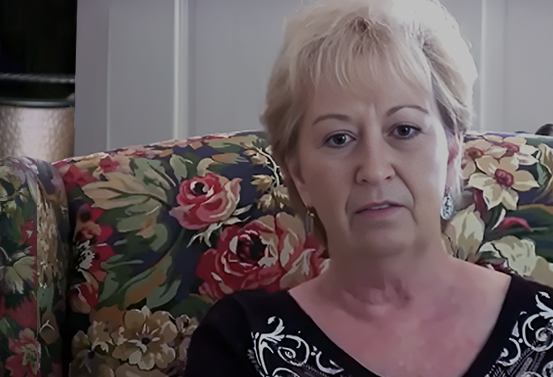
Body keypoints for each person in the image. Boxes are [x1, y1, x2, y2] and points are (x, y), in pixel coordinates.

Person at [184, 0, 553, 376]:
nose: (374, 171)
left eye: (404, 130)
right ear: (300, 177)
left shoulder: (547, 328)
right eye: (339, 138)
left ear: (451, 156)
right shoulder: (241, 343)